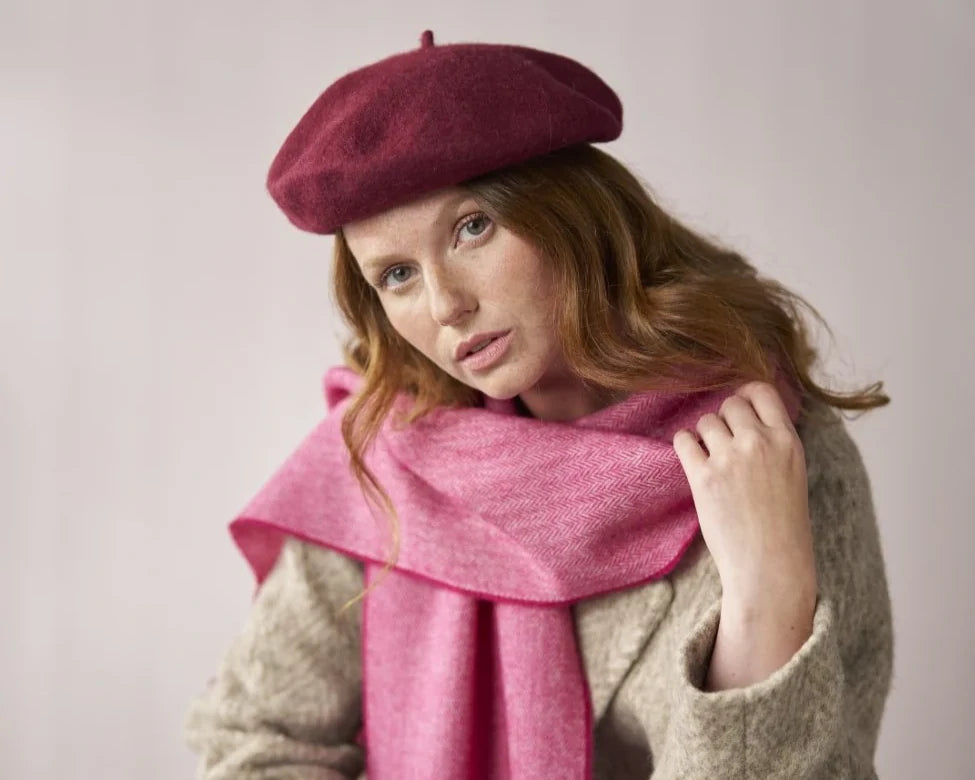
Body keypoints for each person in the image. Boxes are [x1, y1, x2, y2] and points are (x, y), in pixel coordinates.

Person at [183, 30, 894, 779]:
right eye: (395, 275)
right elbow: (252, 740)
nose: (445, 304)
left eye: (472, 228)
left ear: (573, 214)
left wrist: (768, 593)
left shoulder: (768, 455)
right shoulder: (384, 462)